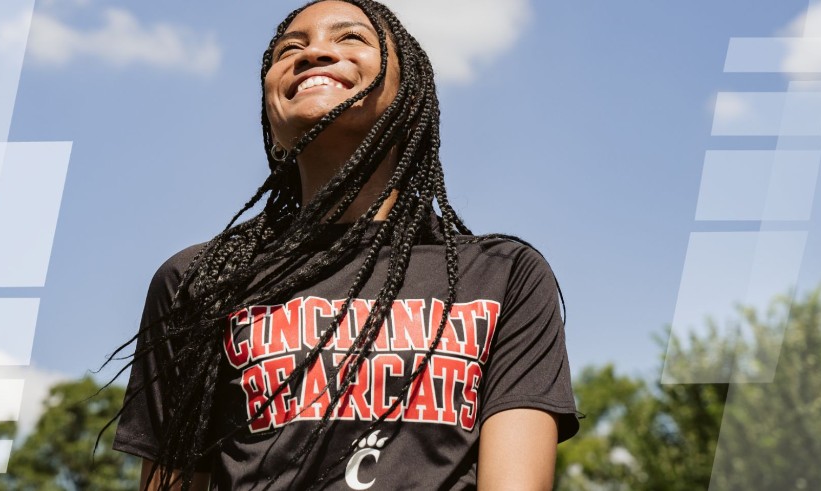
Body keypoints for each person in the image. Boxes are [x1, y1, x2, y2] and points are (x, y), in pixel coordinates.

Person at [108, 1, 581, 489]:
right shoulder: (200, 280)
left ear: (410, 98)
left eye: (350, 38)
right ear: (271, 120)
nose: (313, 53)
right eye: (290, 49)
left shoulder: (503, 275)